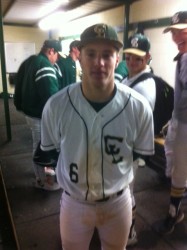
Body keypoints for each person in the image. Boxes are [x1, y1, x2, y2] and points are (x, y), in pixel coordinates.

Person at [38, 23, 154, 250]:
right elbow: (49, 152)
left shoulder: (138, 107)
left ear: (117, 58)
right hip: (73, 202)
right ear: (79, 57)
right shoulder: (56, 105)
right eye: (91, 54)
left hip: (118, 203)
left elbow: (141, 157)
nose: (99, 62)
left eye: (107, 54)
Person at [122, 33, 156, 246]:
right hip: (123, 145)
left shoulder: (144, 86)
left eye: (137, 58)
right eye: (128, 57)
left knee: (126, 193)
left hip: (129, 148)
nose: (131, 62)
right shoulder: (129, 78)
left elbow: (135, 124)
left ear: (147, 57)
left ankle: (130, 233)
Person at [14, 39, 62, 191]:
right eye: (57, 55)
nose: (57, 59)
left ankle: (40, 174)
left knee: (39, 144)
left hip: (30, 111)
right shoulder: (44, 65)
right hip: (38, 114)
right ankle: (41, 180)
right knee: (40, 147)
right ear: (51, 51)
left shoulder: (32, 61)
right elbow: (51, 96)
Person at [159, 10, 187, 234]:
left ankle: (175, 211)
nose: (177, 37)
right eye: (174, 32)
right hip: (180, 121)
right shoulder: (183, 56)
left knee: (178, 170)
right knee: (177, 169)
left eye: (182, 31)